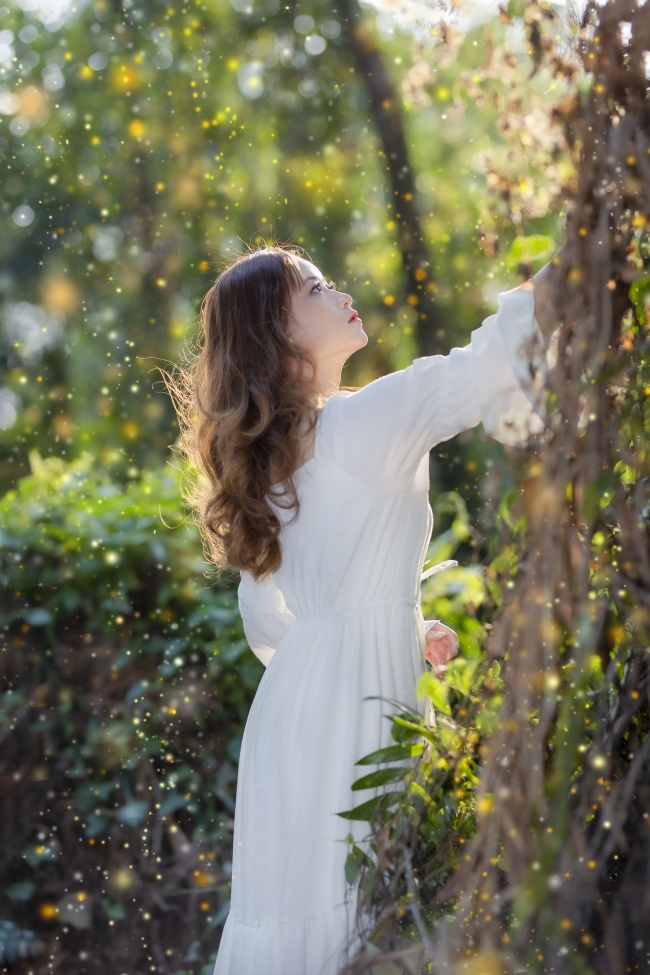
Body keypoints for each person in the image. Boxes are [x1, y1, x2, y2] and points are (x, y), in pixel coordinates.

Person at [169, 243, 558, 975]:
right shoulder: (361, 423)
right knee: (379, 901)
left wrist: (393, 625)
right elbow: (484, 365)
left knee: (320, 915)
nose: (338, 288)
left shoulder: (273, 465)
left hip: (293, 716)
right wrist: (576, 261)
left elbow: (273, 619)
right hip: (357, 703)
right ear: (277, 334)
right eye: (315, 286)